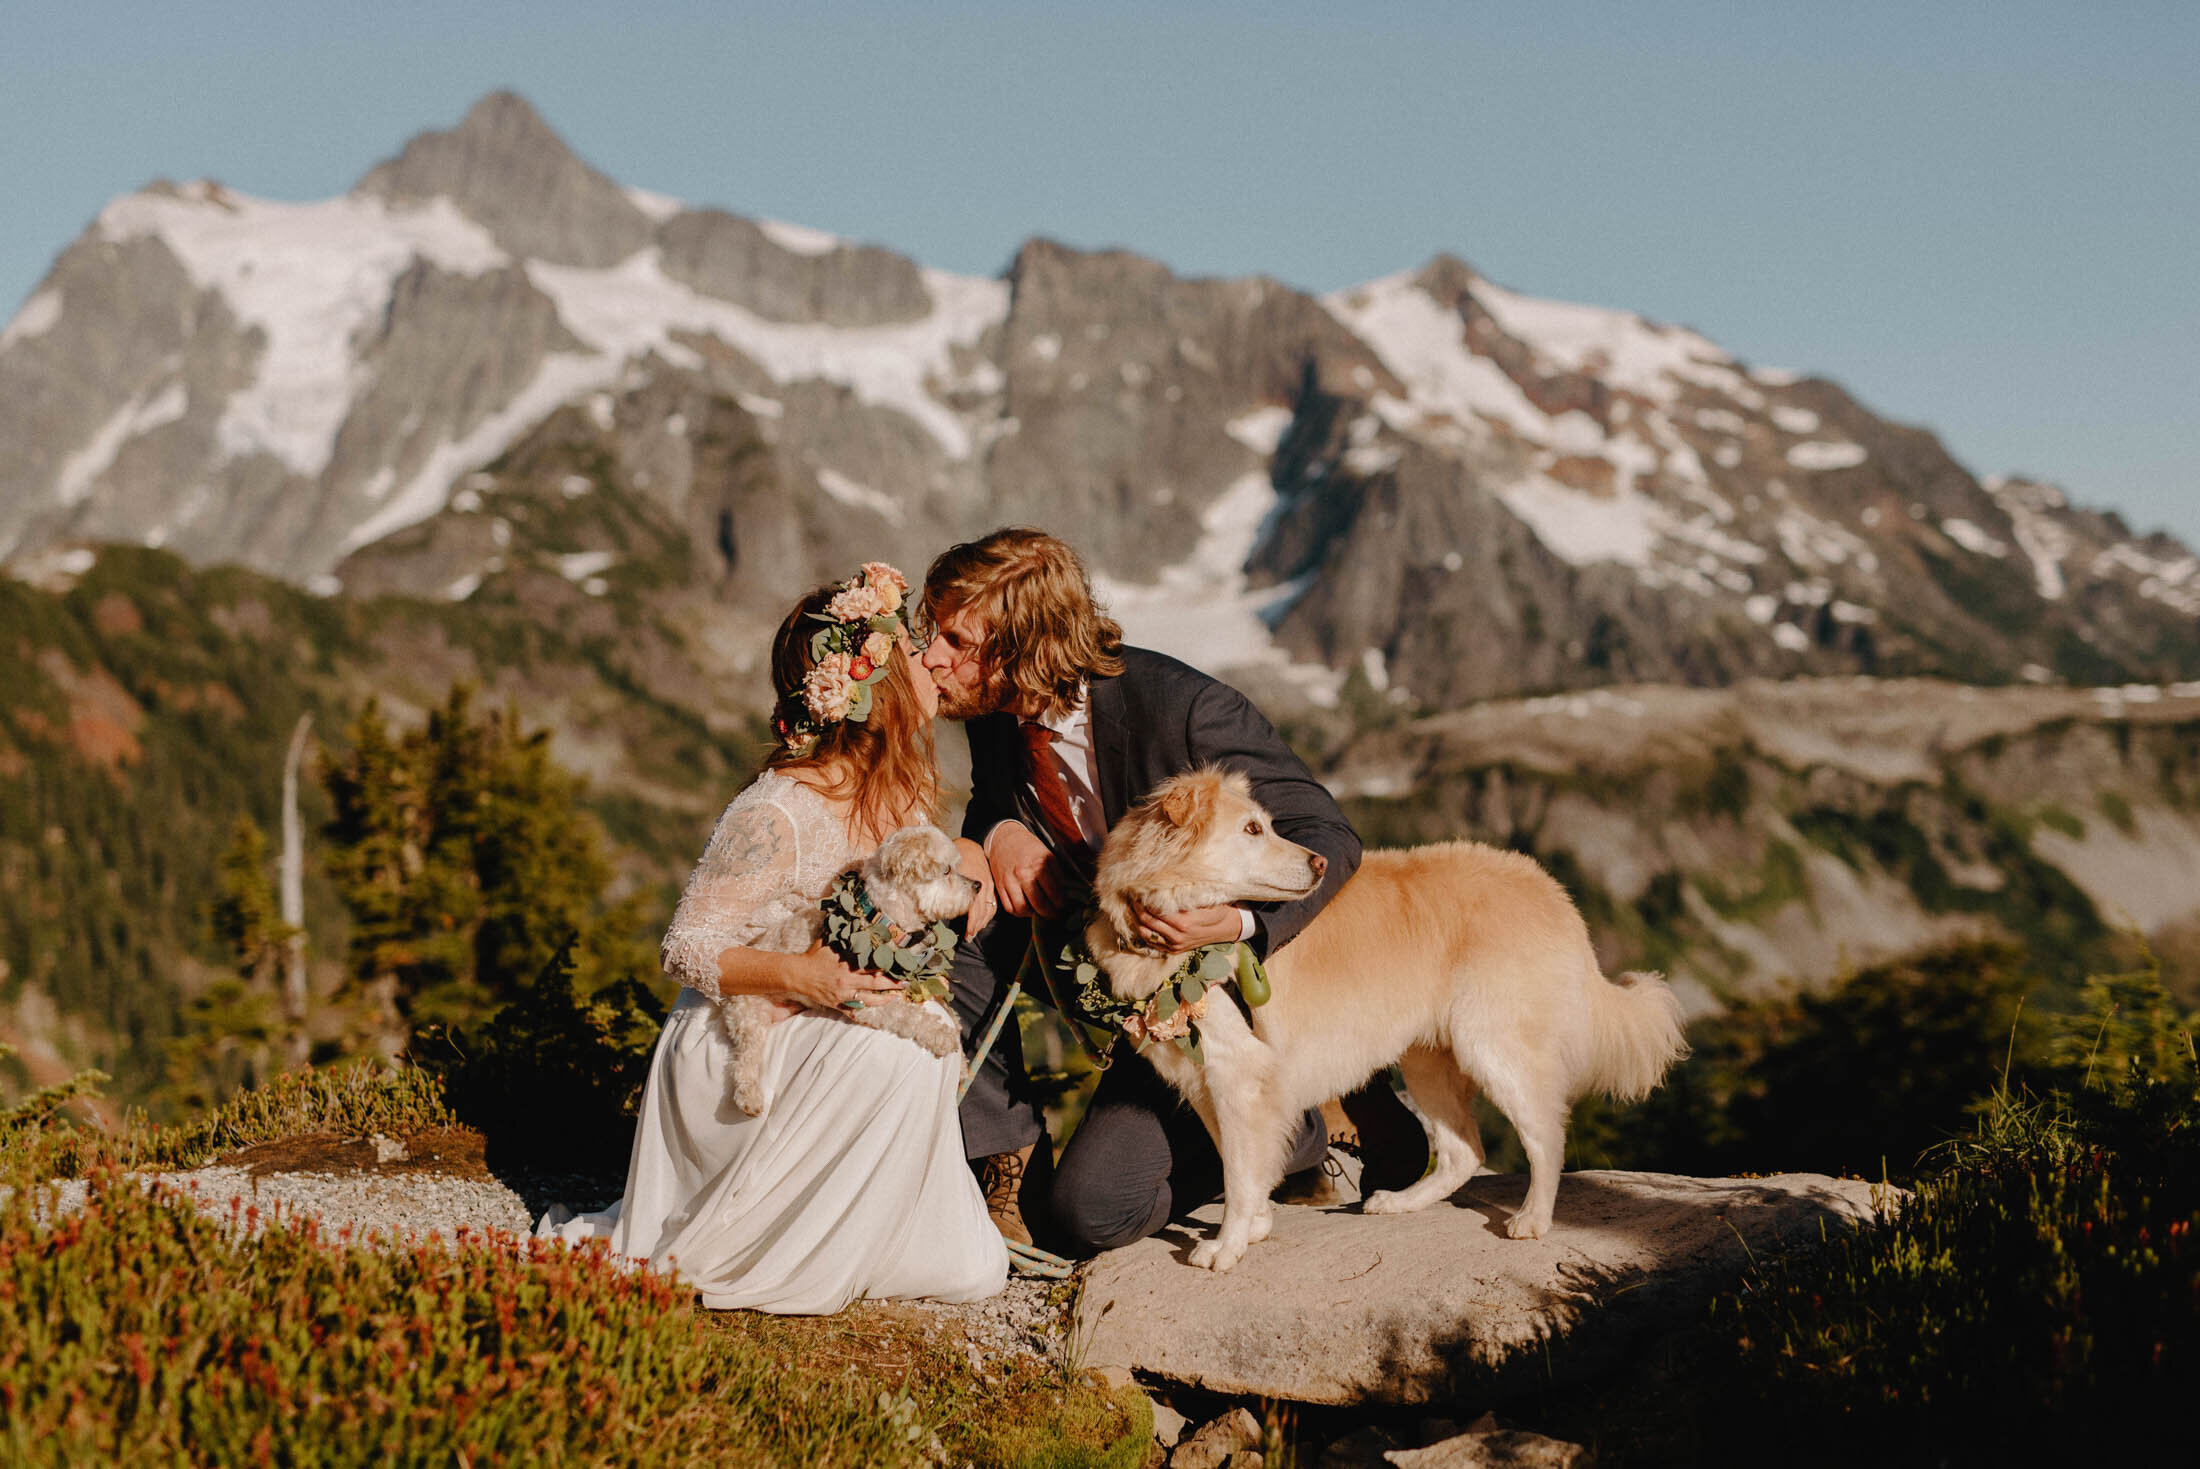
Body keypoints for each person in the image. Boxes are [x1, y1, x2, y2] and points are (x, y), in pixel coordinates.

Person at [539, 562, 1009, 1312]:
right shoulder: (781, 809)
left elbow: (918, 874)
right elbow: (686, 945)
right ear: (873, 685)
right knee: (892, 1048)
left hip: (830, 1010)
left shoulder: (900, 787)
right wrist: (805, 977)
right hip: (739, 1033)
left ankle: (858, 1234)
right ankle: (773, 1245)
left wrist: (975, 854)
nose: (931, 662)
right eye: (910, 651)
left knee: (927, 1045)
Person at [920, 528, 1397, 1256]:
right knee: (944, 913)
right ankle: (1006, 1167)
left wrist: (1231, 923)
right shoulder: (995, 711)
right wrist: (997, 833)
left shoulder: (1185, 709)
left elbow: (1330, 835)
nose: (933, 658)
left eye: (956, 640)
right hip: (1104, 960)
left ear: (1024, 642)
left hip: (1214, 1003)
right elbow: (994, 798)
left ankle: (1302, 1121)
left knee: (1090, 1214)